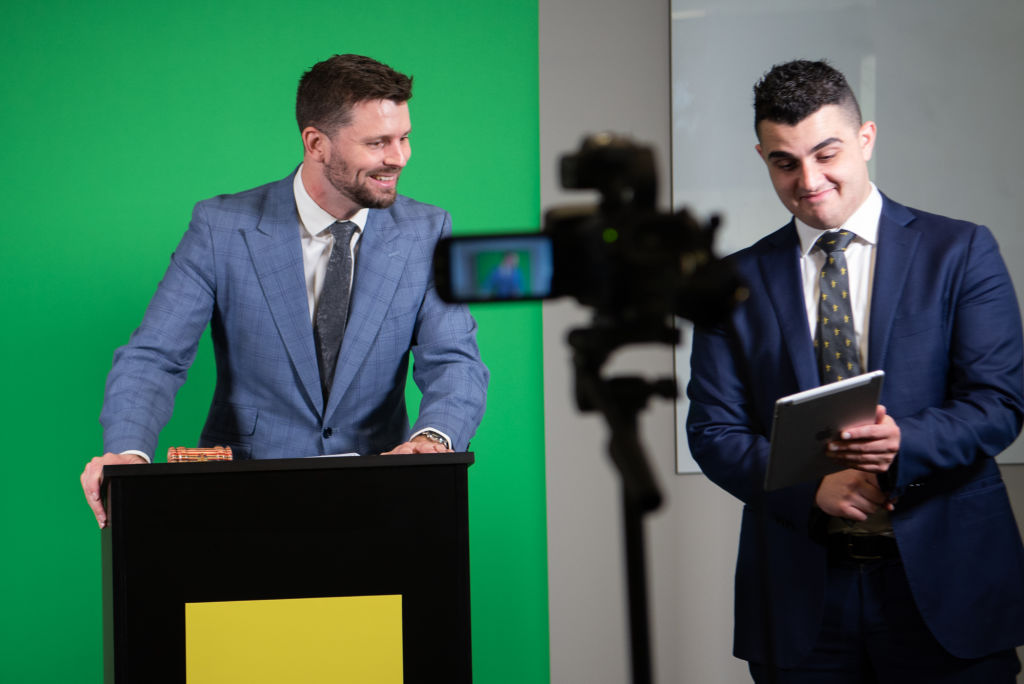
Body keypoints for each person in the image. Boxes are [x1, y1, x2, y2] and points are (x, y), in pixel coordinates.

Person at [687, 59, 1024, 682]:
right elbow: (712, 431)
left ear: (866, 138)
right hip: (799, 596)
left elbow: (1000, 403)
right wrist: (809, 490)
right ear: (762, 156)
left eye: (826, 153)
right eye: (784, 162)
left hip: (950, 583)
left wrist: (906, 443)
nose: (808, 180)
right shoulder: (730, 283)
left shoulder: (962, 250)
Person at [82, 54, 489, 528]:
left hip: (381, 499)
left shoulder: (427, 230)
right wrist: (128, 452)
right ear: (316, 143)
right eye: (377, 143)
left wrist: (433, 440)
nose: (398, 157)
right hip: (243, 503)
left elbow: (455, 359)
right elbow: (154, 355)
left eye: (404, 138)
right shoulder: (221, 227)